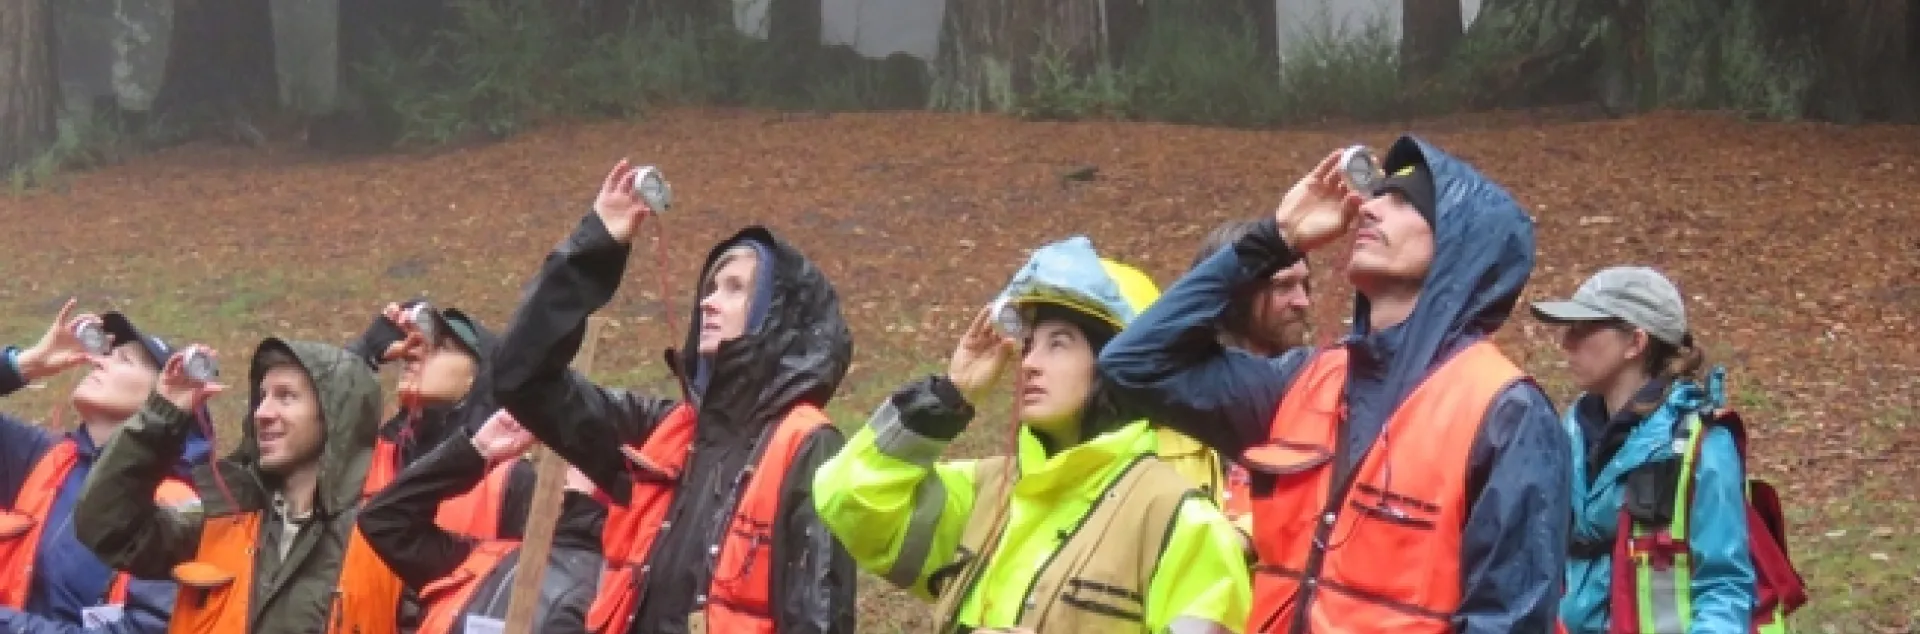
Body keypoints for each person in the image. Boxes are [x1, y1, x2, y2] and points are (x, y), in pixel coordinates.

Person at [1097, 138, 1573, 633]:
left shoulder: (1506, 413)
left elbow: (1510, 621)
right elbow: (1134, 364)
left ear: (1461, 244)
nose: (1369, 207)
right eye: (1377, 193)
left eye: (1404, 201)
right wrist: (1275, 239)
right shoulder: (1301, 383)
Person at [813, 236, 1252, 633]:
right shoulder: (987, 491)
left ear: (1119, 362)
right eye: (1028, 345)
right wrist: (948, 397)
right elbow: (848, 500)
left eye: (1059, 343)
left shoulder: (1182, 522)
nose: (1028, 364)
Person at [490, 159, 857, 634]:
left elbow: (819, 617)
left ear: (775, 316)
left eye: (734, 288)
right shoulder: (660, 435)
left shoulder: (807, 446)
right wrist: (596, 246)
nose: (707, 301)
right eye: (708, 287)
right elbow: (524, 377)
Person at [73, 338, 409, 633]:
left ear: (334, 417)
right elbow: (109, 529)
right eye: (262, 397)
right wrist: (161, 418)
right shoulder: (224, 518)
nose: (262, 412)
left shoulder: (389, 536)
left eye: (286, 397)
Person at [1531, 266, 1757, 633]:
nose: (1566, 343)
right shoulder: (1567, 432)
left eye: (1584, 329)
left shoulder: (1701, 445)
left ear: (1635, 344)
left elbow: (1725, 589)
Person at [0, 302, 211, 633]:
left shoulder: (178, 510)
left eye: (123, 360)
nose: (97, 361)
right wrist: (23, 365)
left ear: (167, 395)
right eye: (104, 353)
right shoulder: (45, 459)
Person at [360, 408, 604, 634]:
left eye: (577, 462)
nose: (557, 471)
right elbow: (386, 520)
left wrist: (583, 505)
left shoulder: (615, 590)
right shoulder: (485, 561)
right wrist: (477, 450)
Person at [1184, 219, 1317, 544]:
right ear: (1238, 293)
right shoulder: (1182, 383)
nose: (1303, 302)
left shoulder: (1314, 383)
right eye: (1283, 286)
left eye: (1304, 285)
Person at [356, 302, 535, 541]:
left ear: (477, 376)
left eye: (439, 346)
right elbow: (305, 410)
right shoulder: (372, 453)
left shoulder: (510, 481)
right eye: (415, 341)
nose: (413, 351)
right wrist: (364, 352)